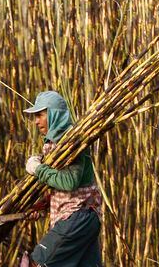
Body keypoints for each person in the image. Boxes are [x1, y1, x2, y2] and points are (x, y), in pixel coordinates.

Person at [21, 91, 102, 267]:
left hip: (78, 217)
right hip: (83, 218)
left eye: (40, 115)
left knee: (35, 263)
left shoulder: (71, 142)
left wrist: (38, 169)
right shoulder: (56, 145)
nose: (36, 121)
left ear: (54, 114)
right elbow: (69, 189)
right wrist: (43, 205)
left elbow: (69, 182)